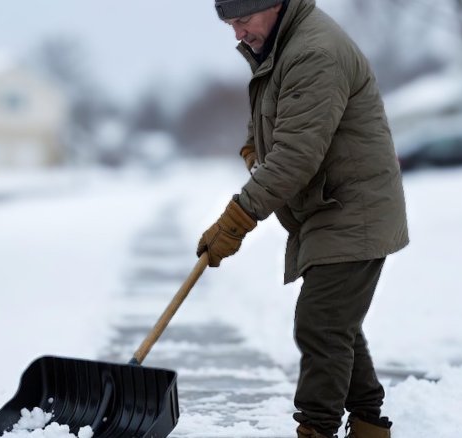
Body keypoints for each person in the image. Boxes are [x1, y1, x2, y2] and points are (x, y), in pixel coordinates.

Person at [196, 0, 409, 437]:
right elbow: (275, 122)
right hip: (329, 206)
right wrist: (253, 147)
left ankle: (317, 428)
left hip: (353, 207)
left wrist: (235, 221)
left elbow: (296, 156)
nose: (237, 33)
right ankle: (370, 424)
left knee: (322, 324)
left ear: (272, 6)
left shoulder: (314, 51)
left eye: (242, 20)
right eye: (229, 24)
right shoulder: (282, 46)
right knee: (334, 324)